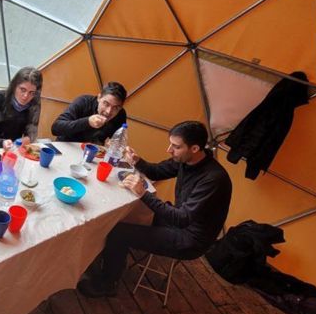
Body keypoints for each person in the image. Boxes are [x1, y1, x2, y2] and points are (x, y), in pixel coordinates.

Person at [77, 120, 232, 298]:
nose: (169, 150)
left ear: (195, 148)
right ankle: (112, 257)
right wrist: (137, 161)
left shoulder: (213, 179)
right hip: (177, 221)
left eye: (176, 146)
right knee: (126, 215)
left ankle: (108, 284)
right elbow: (157, 171)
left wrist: (143, 193)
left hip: (189, 239)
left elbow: (181, 218)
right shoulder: (186, 160)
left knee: (118, 233)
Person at [0, 67, 42, 150]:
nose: (25, 96)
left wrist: (27, 139)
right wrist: (2, 142)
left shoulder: (34, 103)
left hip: (12, 148)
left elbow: (32, 132)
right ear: (14, 86)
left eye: (31, 93)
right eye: (22, 89)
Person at [51, 81, 128, 144]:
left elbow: (117, 141)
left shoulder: (120, 114)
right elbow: (55, 128)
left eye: (115, 108)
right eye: (106, 104)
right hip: (66, 146)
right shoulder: (84, 102)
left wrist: (120, 148)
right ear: (99, 98)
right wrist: (87, 122)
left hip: (93, 153)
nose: (108, 111)